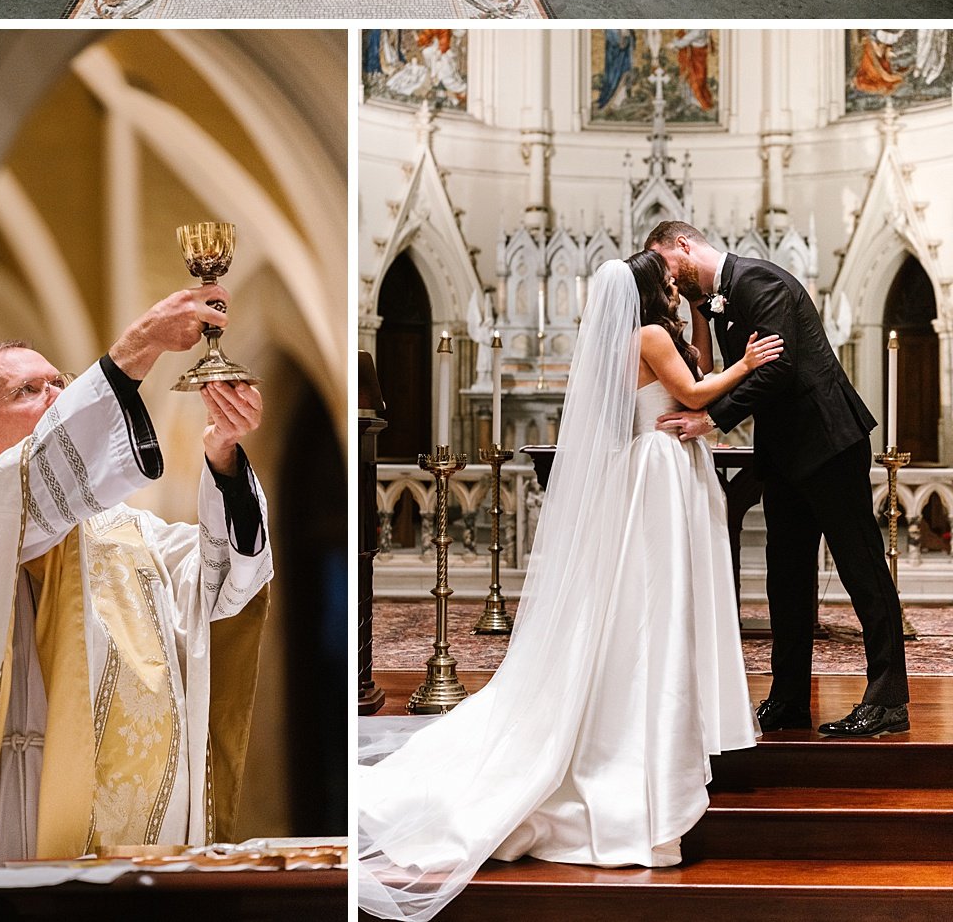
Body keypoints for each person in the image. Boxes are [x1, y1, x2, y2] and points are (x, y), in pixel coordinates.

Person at [358, 256, 783, 921]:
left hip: (649, 468)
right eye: (670, 283)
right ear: (649, 289)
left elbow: (680, 382)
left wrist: (702, 340)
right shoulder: (648, 335)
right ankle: (642, 756)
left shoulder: (637, 338)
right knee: (653, 605)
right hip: (659, 472)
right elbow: (696, 397)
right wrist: (749, 363)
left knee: (641, 605)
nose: (676, 289)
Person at [0, 286, 273, 868]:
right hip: (35, 803)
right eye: (28, 390)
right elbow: (41, 482)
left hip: (158, 818)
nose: (56, 396)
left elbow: (229, 582)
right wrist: (140, 346)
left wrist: (224, 457)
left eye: (61, 382)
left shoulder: (135, 528)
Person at [644, 220, 909, 737]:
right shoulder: (719, 298)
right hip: (786, 455)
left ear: (683, 245)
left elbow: (777, 369)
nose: (666, 279)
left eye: (667, 264)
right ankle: (788, 700)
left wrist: (712, 421)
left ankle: (889, 701)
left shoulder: (758, 281)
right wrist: (701, 322)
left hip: (829, 444)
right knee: (786, 578)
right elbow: (724, 372)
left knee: (862, 571)